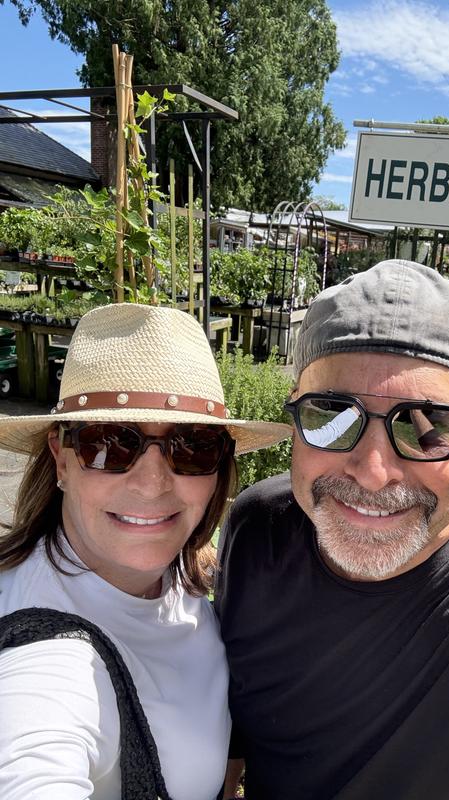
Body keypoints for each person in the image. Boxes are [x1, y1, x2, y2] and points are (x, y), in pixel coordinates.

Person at [216, 259, 449, 800]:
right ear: (295, 412)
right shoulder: (261, 528)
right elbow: (232, 732)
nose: (373, 473)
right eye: (333, 413)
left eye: (428, 426)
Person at [0, 302, 290, 800]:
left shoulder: (189, 579)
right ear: (61, 459)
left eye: (193, 446)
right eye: (110, 443)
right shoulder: (40, 647)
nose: (153, 482)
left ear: (220, 468)